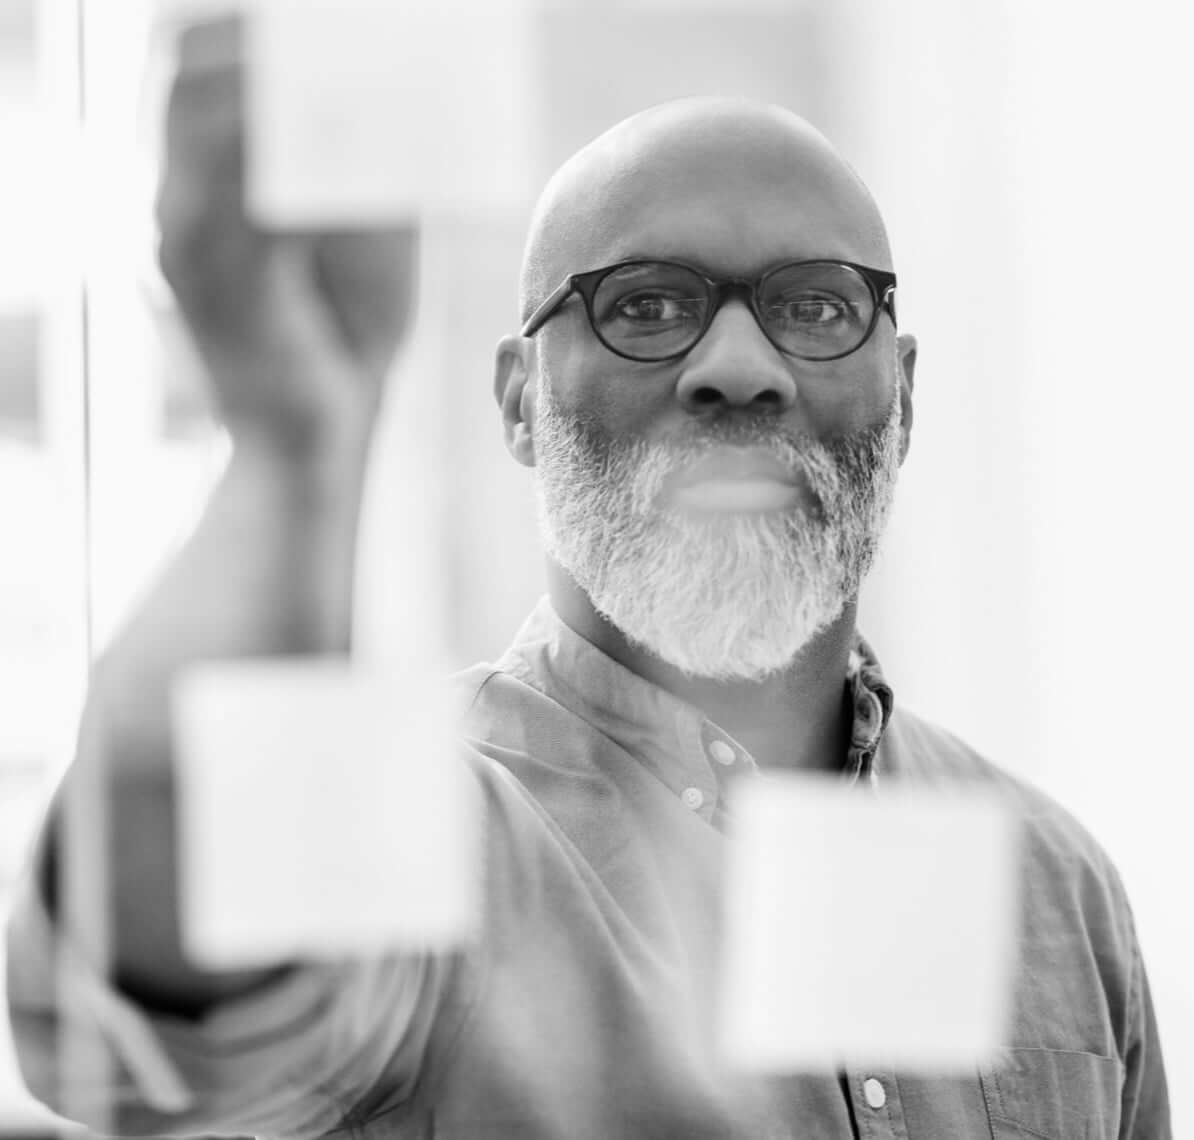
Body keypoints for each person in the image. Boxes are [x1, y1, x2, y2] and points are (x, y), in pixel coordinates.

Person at [6, 17, 1170, 1140]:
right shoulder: (418, 830)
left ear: (903, 397)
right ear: (521, 401)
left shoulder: (1054, 886)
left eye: (814, 306)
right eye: (646, 308)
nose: (738, 368)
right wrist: (294, 449)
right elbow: (143, 1023)